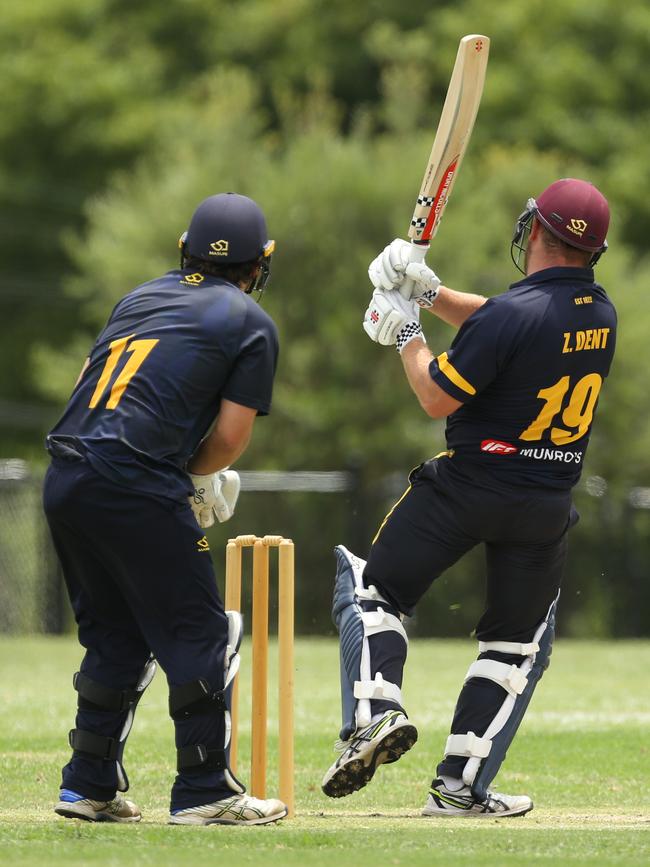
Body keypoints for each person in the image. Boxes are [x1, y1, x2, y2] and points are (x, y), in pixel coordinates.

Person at [322, 178, 616, 817]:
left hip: (470, 485)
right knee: (515, 644)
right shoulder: (600, 314)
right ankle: (461, 787)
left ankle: (375, 714)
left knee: (373, 590)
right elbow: (507, 326)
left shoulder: (514, 314)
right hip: (544, 503)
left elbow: (436, 396)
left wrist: (405, 332)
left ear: (534, 231)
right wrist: (431, 292)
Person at [43, 192, 288, 825]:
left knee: (116, 636)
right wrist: (189, 477)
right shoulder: (251, 324)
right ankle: (205, 790)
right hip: (135, 482)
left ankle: (87, 784)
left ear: (185, 249)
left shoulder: (139, 298)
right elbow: (229, 440)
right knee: (203, 634)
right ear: (259, 265)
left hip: (68, 475)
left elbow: (84, 388)